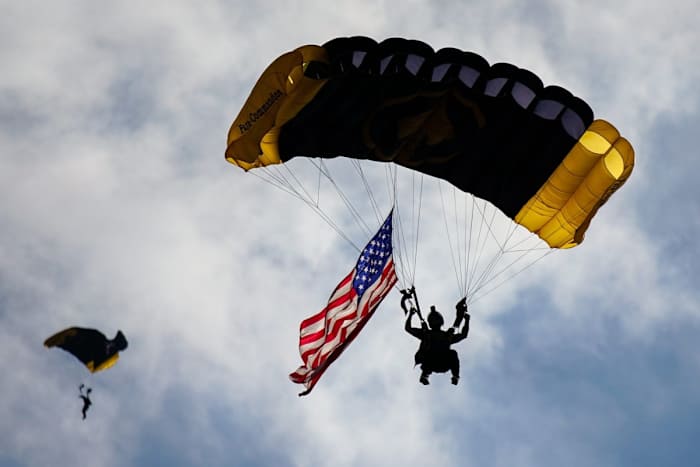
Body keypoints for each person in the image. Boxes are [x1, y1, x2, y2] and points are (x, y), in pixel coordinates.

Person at [402, 289, 470, 385]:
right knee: (430, 354)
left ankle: (455, 376)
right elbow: (408, 328)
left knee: (453, 353)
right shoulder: (428, 334)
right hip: (431, 363)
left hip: (443, 363)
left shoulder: (445, 335)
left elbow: (464, 335)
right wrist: (410, 315)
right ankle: (425, 375)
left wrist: (466, 320)